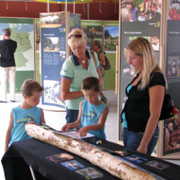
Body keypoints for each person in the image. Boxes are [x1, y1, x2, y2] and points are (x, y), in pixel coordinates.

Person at [121, 37, 166, 155]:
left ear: (145, 56)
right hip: (128, 129)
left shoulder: (155, 77)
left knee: (135, 168)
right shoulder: (140, 74)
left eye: (133, 58)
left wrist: (144, 144)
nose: (130, 62)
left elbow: (155, 115)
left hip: (140, 132)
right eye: (129, 58)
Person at [60, 29, 102, 124]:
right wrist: (87, 92)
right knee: (75, 138)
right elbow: (64, 95)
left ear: (85, 43)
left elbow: (99, 78)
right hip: (75, 110)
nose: (76, 51)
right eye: (73, 48)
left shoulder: (93, 56)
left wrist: (95, 90)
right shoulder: (69, 64)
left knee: (94, 137)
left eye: (80, 47)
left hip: (94, 106)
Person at [5, 79, 46, 151]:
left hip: (31, 147)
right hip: (15, 147)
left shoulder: (39, 111)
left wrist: (36, 127)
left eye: (39, 98)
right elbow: (9, 130)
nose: (38, 101)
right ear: (25, 96)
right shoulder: (14, 111)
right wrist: (6, 147)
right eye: (35, 98)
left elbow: (45, 130)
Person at [0, 28, 17, 103]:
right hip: (12, 63)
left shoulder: (0, 43)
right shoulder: (14, 43)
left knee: (3, 82)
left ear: (3, 34)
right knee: (12, 81)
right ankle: (12, 98)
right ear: (10, 34)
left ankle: (4, 99)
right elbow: (13, 51)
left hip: (3, 64)